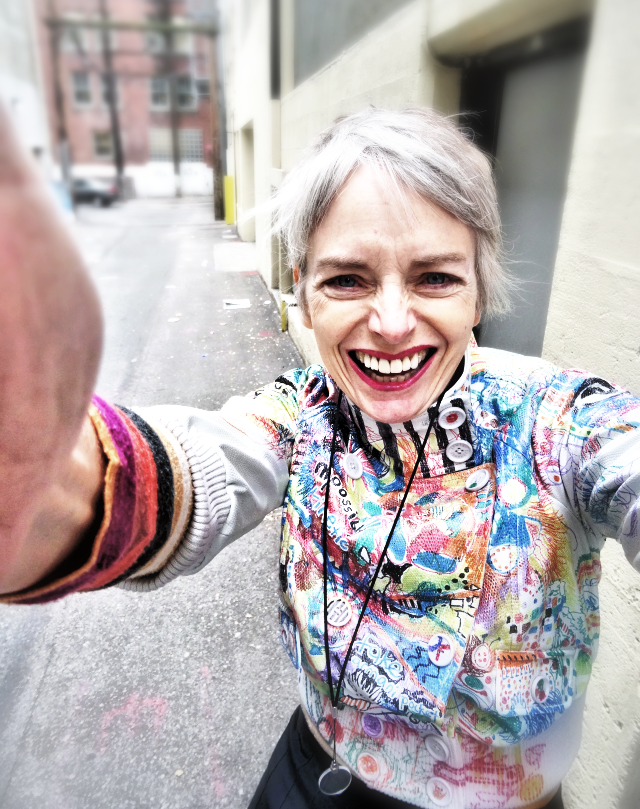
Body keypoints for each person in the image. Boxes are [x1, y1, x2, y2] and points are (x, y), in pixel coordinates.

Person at [0, 105, 638, 809]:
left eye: (434, 278)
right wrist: (45, 473)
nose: (393, 324)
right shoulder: (300, 413)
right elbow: (182, 477)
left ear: (479, 287)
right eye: (347, 280)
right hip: (311, 773)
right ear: (301, 291)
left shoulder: (559, 420)